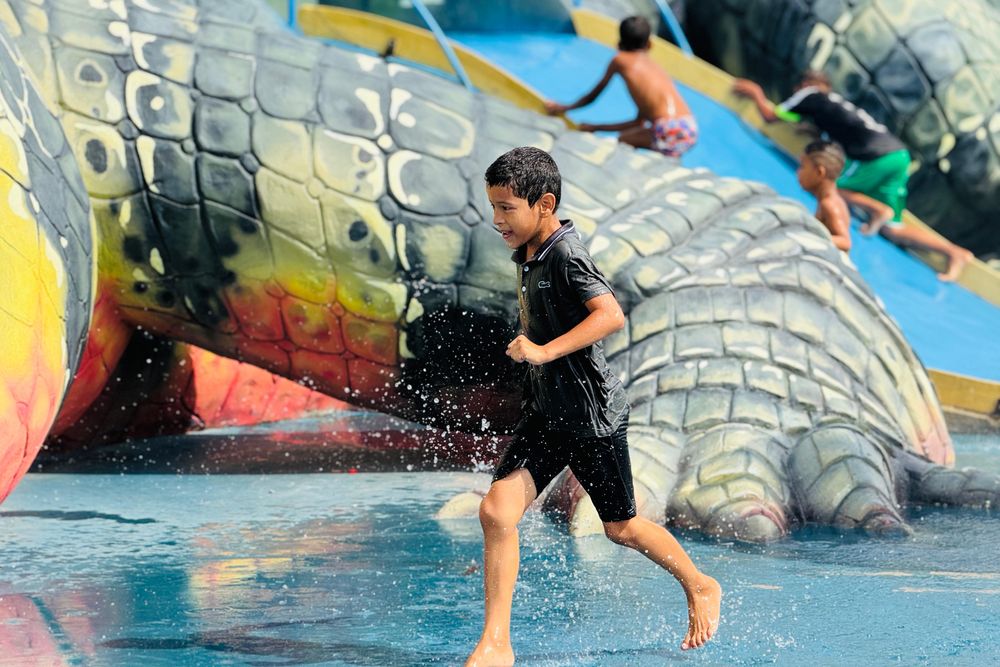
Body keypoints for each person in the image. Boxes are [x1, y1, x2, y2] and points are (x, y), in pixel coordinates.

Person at [466, 146, 721, 667]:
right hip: (547, 413)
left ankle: (699, 584)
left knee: (621, 527)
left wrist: (543, 351)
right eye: (492, 206)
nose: (496, 219)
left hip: (589, 418)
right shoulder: (531, 251)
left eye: (506, 208)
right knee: (496, 511)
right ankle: (496, 644)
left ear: (545, 204)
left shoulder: (566, 254)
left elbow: (609, 315)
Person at [732, 71, 973, 281]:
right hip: (898, 155)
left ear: (804, 85)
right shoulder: (836, 103)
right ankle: (954, 252)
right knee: (893, 229)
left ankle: (877, 209)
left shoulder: (809, 94)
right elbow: (839, 128)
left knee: (831, 187)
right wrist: (813, 129)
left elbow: (771, 116)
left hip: (875, 156)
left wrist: (756, 93)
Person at [543, 16, 698, 158]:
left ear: (618, 42)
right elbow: (638, 123)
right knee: (636, 139)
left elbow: (593, 96)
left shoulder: (620, 60)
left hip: (668, 128)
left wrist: (564, 108)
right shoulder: (655, 67)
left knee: (623, 141)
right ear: (650, 44)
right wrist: (595, 127)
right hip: (689, 127)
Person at [798, 140, 851, 252]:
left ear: (819, 172)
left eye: (802, 166)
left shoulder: (829, 205)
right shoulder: (828, 200)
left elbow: (845, 242)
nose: (798, 172)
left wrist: (807, 239)